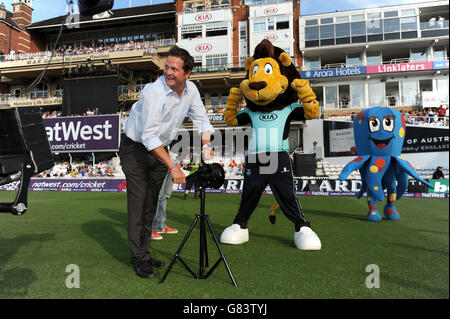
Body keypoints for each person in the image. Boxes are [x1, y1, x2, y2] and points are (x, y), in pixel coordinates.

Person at [119, 46, 215, 279]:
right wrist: (173, 167)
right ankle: (139, 259)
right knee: (139, 203)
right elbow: (149, 136)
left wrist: (206, 145)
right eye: (166, 67)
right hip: (136, 149)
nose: (168, 72)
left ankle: (144, 252)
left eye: (174, 68)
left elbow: (202, 120)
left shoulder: (191, 90)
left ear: (187, 73)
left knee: (151, 204)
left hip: (160, 150)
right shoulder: (154, 92)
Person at [151, 169, 178, 240]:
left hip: (172, 165)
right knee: (157, 195)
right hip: (160, 163)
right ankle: (149, 228)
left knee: (165, 195)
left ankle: (160, 225)